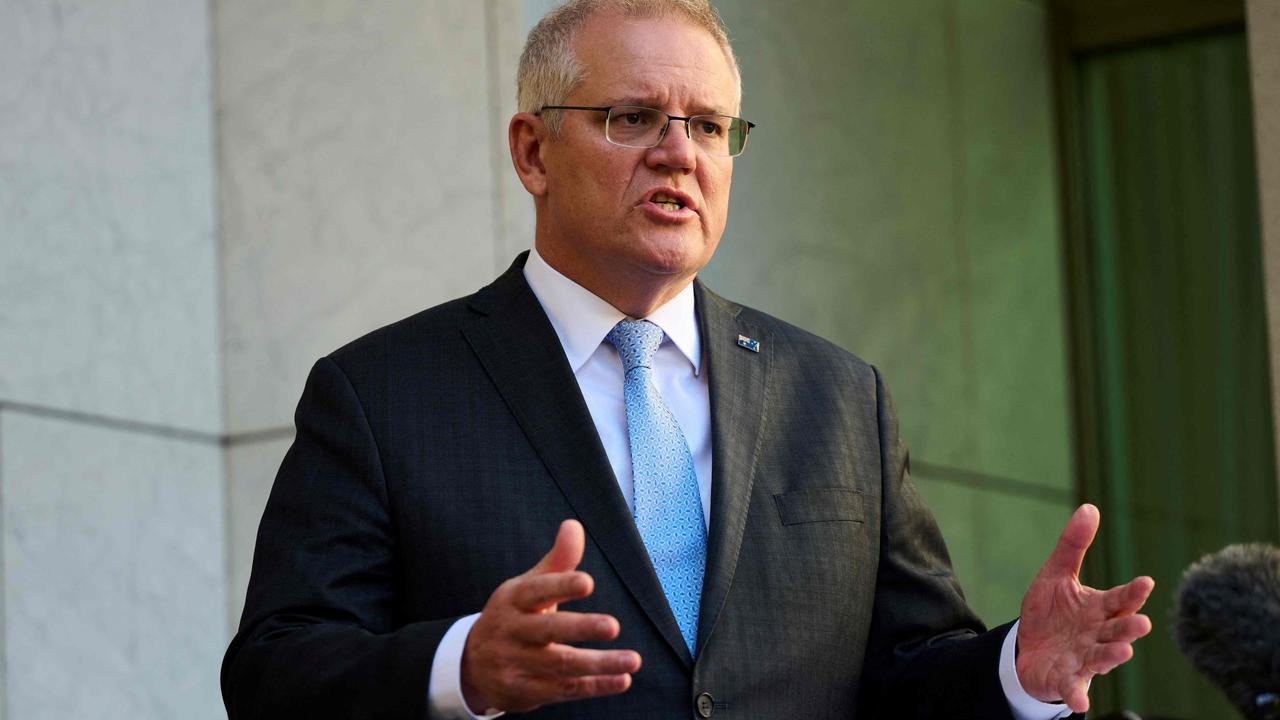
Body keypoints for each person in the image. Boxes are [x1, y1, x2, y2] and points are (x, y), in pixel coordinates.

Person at [221, 1, 1155, 718]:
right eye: (634, 118)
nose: (680, 153)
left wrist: (1016, 669)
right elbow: (274, 673)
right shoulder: (382, 394)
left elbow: (907, 676)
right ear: (532, 151)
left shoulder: (838, 398)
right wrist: (459, 667)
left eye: (709, 126)